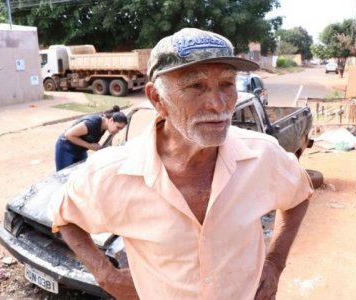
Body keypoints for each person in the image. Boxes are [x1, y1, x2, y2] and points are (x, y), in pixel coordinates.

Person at [50, 28, 313, 300]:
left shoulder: (263, 154)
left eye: (227, 84)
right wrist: (106, 275)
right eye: (195, 87)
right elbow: (65, 217)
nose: (218, 104)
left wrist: (274, 264)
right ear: (156, 99)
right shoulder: (109, 173)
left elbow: (299, 196)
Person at [54, 105, 128, 171]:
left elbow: (91, 137)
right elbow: (68, 135)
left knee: (81, 175)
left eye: (120, 129)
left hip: (80, 150)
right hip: (66, 148)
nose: (118, 131)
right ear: (111, 120)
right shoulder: (92, 123)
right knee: (64, 177)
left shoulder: (104, 126)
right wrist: (90, 146)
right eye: (118, 127)